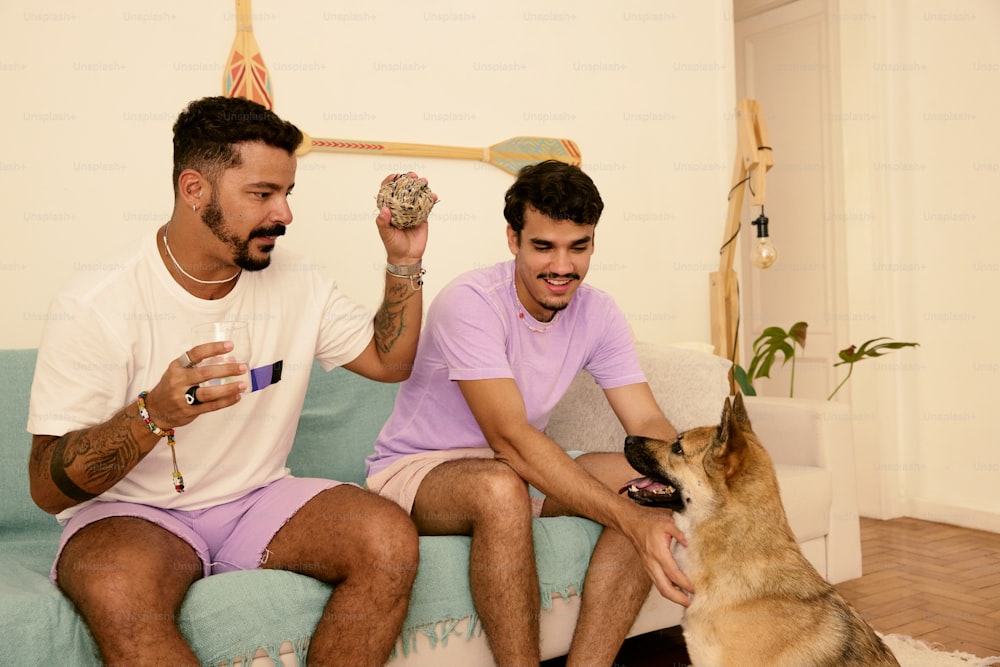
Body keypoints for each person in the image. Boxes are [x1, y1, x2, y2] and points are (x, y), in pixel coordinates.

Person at [27, 96, 430, 666]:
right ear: (195, 190)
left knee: (386, 540)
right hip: (133, 514)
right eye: (263, 194)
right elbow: (45, 488)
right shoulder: (98, 304)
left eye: (287, 193)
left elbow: (391, 363)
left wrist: (404, 261)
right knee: (118, 589)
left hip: (258, 497)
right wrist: (153, 415)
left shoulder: (300, 283)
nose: (285, 214)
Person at [365, 159, 693, 666]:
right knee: (501, 489)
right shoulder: (471, 302)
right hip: (419, 472)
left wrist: (685, 474)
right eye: (543, 247)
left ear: (591, 244)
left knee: (653, 479)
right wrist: (627, 518)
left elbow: (647, 426)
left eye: (577, 247)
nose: (562, 266)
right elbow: (511, 439)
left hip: (518, 471)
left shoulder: (599, 313)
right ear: (513, 240)